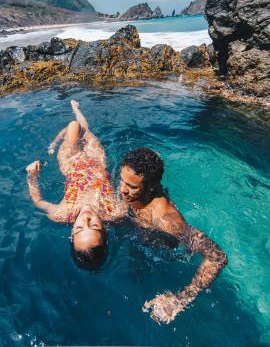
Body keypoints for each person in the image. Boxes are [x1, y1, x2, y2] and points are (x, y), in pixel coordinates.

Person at [119, 147, 228, 324]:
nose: (122, 190)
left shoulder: (166, 220)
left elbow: (217, 257)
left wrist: (182, 299)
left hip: (163, 256)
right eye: (122, 180)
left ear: (151, 187)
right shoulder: (134, 182)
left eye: (131, 186)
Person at [26, 100, 126, 270]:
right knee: (86, 130)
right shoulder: (115, 212)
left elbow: (38, 201)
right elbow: (124, 186)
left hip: (71, 162)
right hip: (97, 163)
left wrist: (31, 176)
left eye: (79, 227)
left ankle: (63, 132)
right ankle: (77, 111)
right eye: (93, 225)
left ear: (72, 233)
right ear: (105, 230)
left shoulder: (62, 214)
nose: (85, 218)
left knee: (74, 126)